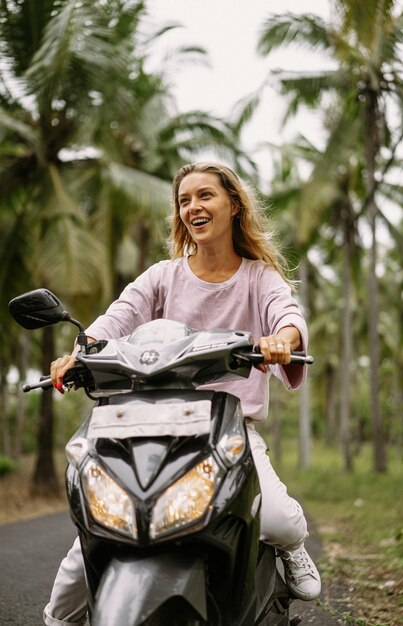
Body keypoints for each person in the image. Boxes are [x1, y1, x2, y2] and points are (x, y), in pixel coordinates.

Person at [44, 161, 321, 626]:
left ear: (233, 205)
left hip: (226, 426)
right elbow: (117, 317)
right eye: (184, 200)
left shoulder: (258, 277)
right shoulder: (163, 276)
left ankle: (293, 552)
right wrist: (79, 351)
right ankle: (57, 618)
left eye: (205, 196)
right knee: (96, 531)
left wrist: (284, 340)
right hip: (146, 421)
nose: (193, 206)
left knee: (277, 519)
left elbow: (287, 314)